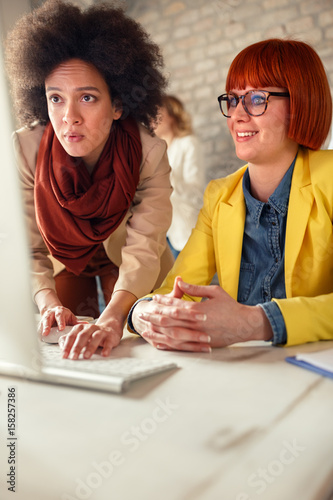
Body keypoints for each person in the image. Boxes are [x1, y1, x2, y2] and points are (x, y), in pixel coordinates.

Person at [128, 38, 333, 352]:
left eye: (256, 99)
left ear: (300, 103)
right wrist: (139, 313)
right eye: (233, 100)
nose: (237, 115)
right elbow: (175, 291)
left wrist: (255, 322)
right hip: (243, 374)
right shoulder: (219, 196)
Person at [5, 0, 174, 360]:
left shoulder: (150, 153)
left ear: (117, 105)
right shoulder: (23, 150)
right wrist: (48, 302)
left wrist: (113, 319)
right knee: (63, 346)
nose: (69, 117)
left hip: (127, 260)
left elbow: (145, 245)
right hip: (63, 262)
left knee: (138, 345)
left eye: (87, 97)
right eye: (55, 98)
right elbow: (26, 246)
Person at [154, 95, 204, 258]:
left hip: (183, 232)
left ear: (172, 115)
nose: (153, 119)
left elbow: (195, 192)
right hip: (161, 235)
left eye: (158, 113)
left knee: (187, 282)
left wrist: (167, 172)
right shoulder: (154, 151)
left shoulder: (188, 144)